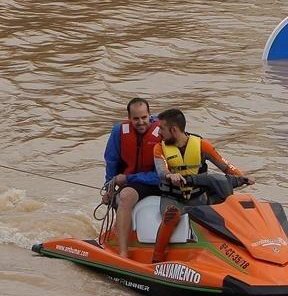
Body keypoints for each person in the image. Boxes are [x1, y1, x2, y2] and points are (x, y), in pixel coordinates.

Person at [151, 108, 254, 263]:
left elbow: (225, 166)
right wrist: (170, 175)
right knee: (171, 215)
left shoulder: (202, 146)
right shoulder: (159, 148)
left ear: (173, 129)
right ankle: (157, 259)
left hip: (198, 197)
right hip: (173, 198)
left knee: (231, 210)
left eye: (162, 129)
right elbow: (161, 170)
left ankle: (244, 251)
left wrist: (242, 176)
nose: (159, 133)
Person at [100, 97, 162, 258]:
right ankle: (122, 252)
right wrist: (109, 188)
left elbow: (162, 175)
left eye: (144, 117)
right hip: (133, 184)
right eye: (136, 119)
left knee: (126, 192)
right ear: (129, 118)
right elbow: (111, 162)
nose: (140, 122)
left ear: (150, 115)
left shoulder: (162, 132)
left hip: (156, 181)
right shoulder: (118, 132)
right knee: (125, 196)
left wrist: (128, 179)